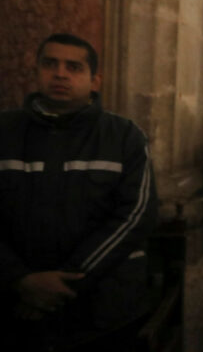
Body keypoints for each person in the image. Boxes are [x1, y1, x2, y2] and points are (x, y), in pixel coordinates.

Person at [0, 33, 157, 350]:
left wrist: (63, 284)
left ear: (94, 80)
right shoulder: (5, 131)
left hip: (102, 312)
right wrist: (19, 280)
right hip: (13, 309)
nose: (60, 74)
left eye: (73, 67)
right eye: (50, 64)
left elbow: (135, 215)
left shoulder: (123, 136)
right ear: (36, 72)